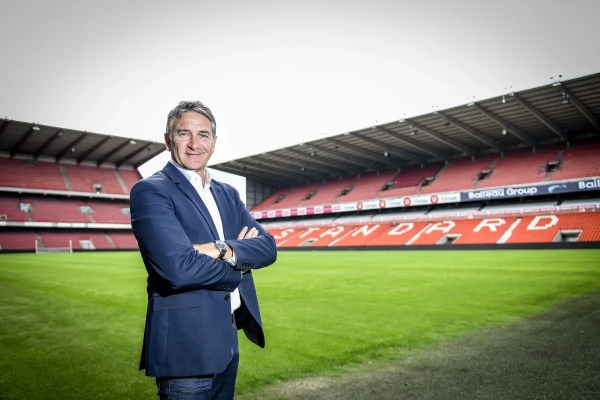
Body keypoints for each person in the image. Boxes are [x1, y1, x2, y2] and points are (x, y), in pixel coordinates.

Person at [130, 101, 277, 399]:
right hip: (185, 344)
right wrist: (239, 263)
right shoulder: (151, 190)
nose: (195, 144)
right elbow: (178, 269)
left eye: (204, 135)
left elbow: (267, 247)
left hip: (227, 337)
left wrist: (221, 249)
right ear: (168, 140)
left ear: (214, 142)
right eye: (184, 134)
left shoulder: (227, 193)